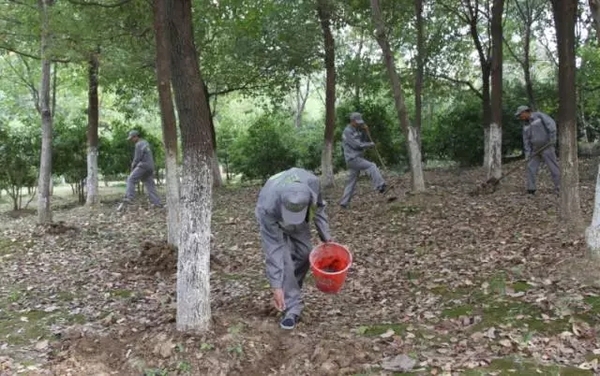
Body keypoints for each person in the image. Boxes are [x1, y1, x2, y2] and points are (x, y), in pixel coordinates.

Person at [255, 167, 333, 330]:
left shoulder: (313, 184)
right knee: (285, 265)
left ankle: (290, 289)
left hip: (301, 221)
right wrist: (276, 286)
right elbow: (273, 251)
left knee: (307, 254)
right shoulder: (267, 206)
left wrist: (327, 239)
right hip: (275, 223)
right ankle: (292, 309)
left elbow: (319, 209)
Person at [339, 112, 388, 208]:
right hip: (353, 159)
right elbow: (357, 145)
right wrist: (370, 144)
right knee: (372, 166)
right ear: (352, 121)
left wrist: (365, 131)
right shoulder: (347, 131)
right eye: (357, 122)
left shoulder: (356, 130)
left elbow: (362, 141)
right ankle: (380, 185)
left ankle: (344, 203)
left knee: (351, 181)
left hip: (356, 158)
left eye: (359, 122)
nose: (359, 123)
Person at [515, 105, 560, 195]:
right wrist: (528, 154)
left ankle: (559, 187)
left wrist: (552, 138)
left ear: (525, 112)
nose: (520, 117)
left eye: (520, 115)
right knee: (530, 167)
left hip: (547, 146)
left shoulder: (539, 116)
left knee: (553, 167)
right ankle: (531, 189)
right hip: (535, 150)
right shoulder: (525, 125)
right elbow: (526, 141)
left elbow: (551, 125)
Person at [117, 130, 162, 210]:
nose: (131, 140)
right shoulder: (145, 143)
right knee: (149, 185)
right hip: (150, 166)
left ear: (136, 137)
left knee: (131, 179)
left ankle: (129, 197)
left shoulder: (138, 144)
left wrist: (133, 166)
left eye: (132, 138)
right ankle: (157, 203)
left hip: (143, 165)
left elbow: (137, 158)